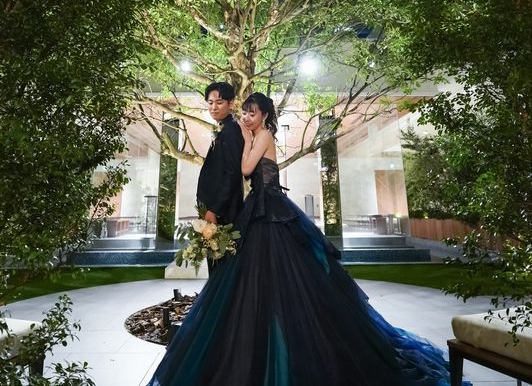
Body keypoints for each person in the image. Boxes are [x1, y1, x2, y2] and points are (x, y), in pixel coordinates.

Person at [148, 93, 470, 386]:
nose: (246, 117)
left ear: (264, 116)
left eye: (252, 113)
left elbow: (246, 169)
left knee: (285, 275)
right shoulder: (256, 135)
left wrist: (245, 138)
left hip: (270, 210)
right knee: (258, 278)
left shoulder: (264, 135)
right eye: (244, 112)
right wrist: (246, 138)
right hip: (258, 208)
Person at [196, 82, 244, 273]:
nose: (213, 107)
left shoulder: (231, 131)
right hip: (213, 211)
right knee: (216, 267)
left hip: (223, 213)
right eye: (210, 102)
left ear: (231, 104)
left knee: (221, 268)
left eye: (219, 102)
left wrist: (214, 210)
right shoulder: (223, 129)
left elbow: (232, 174)